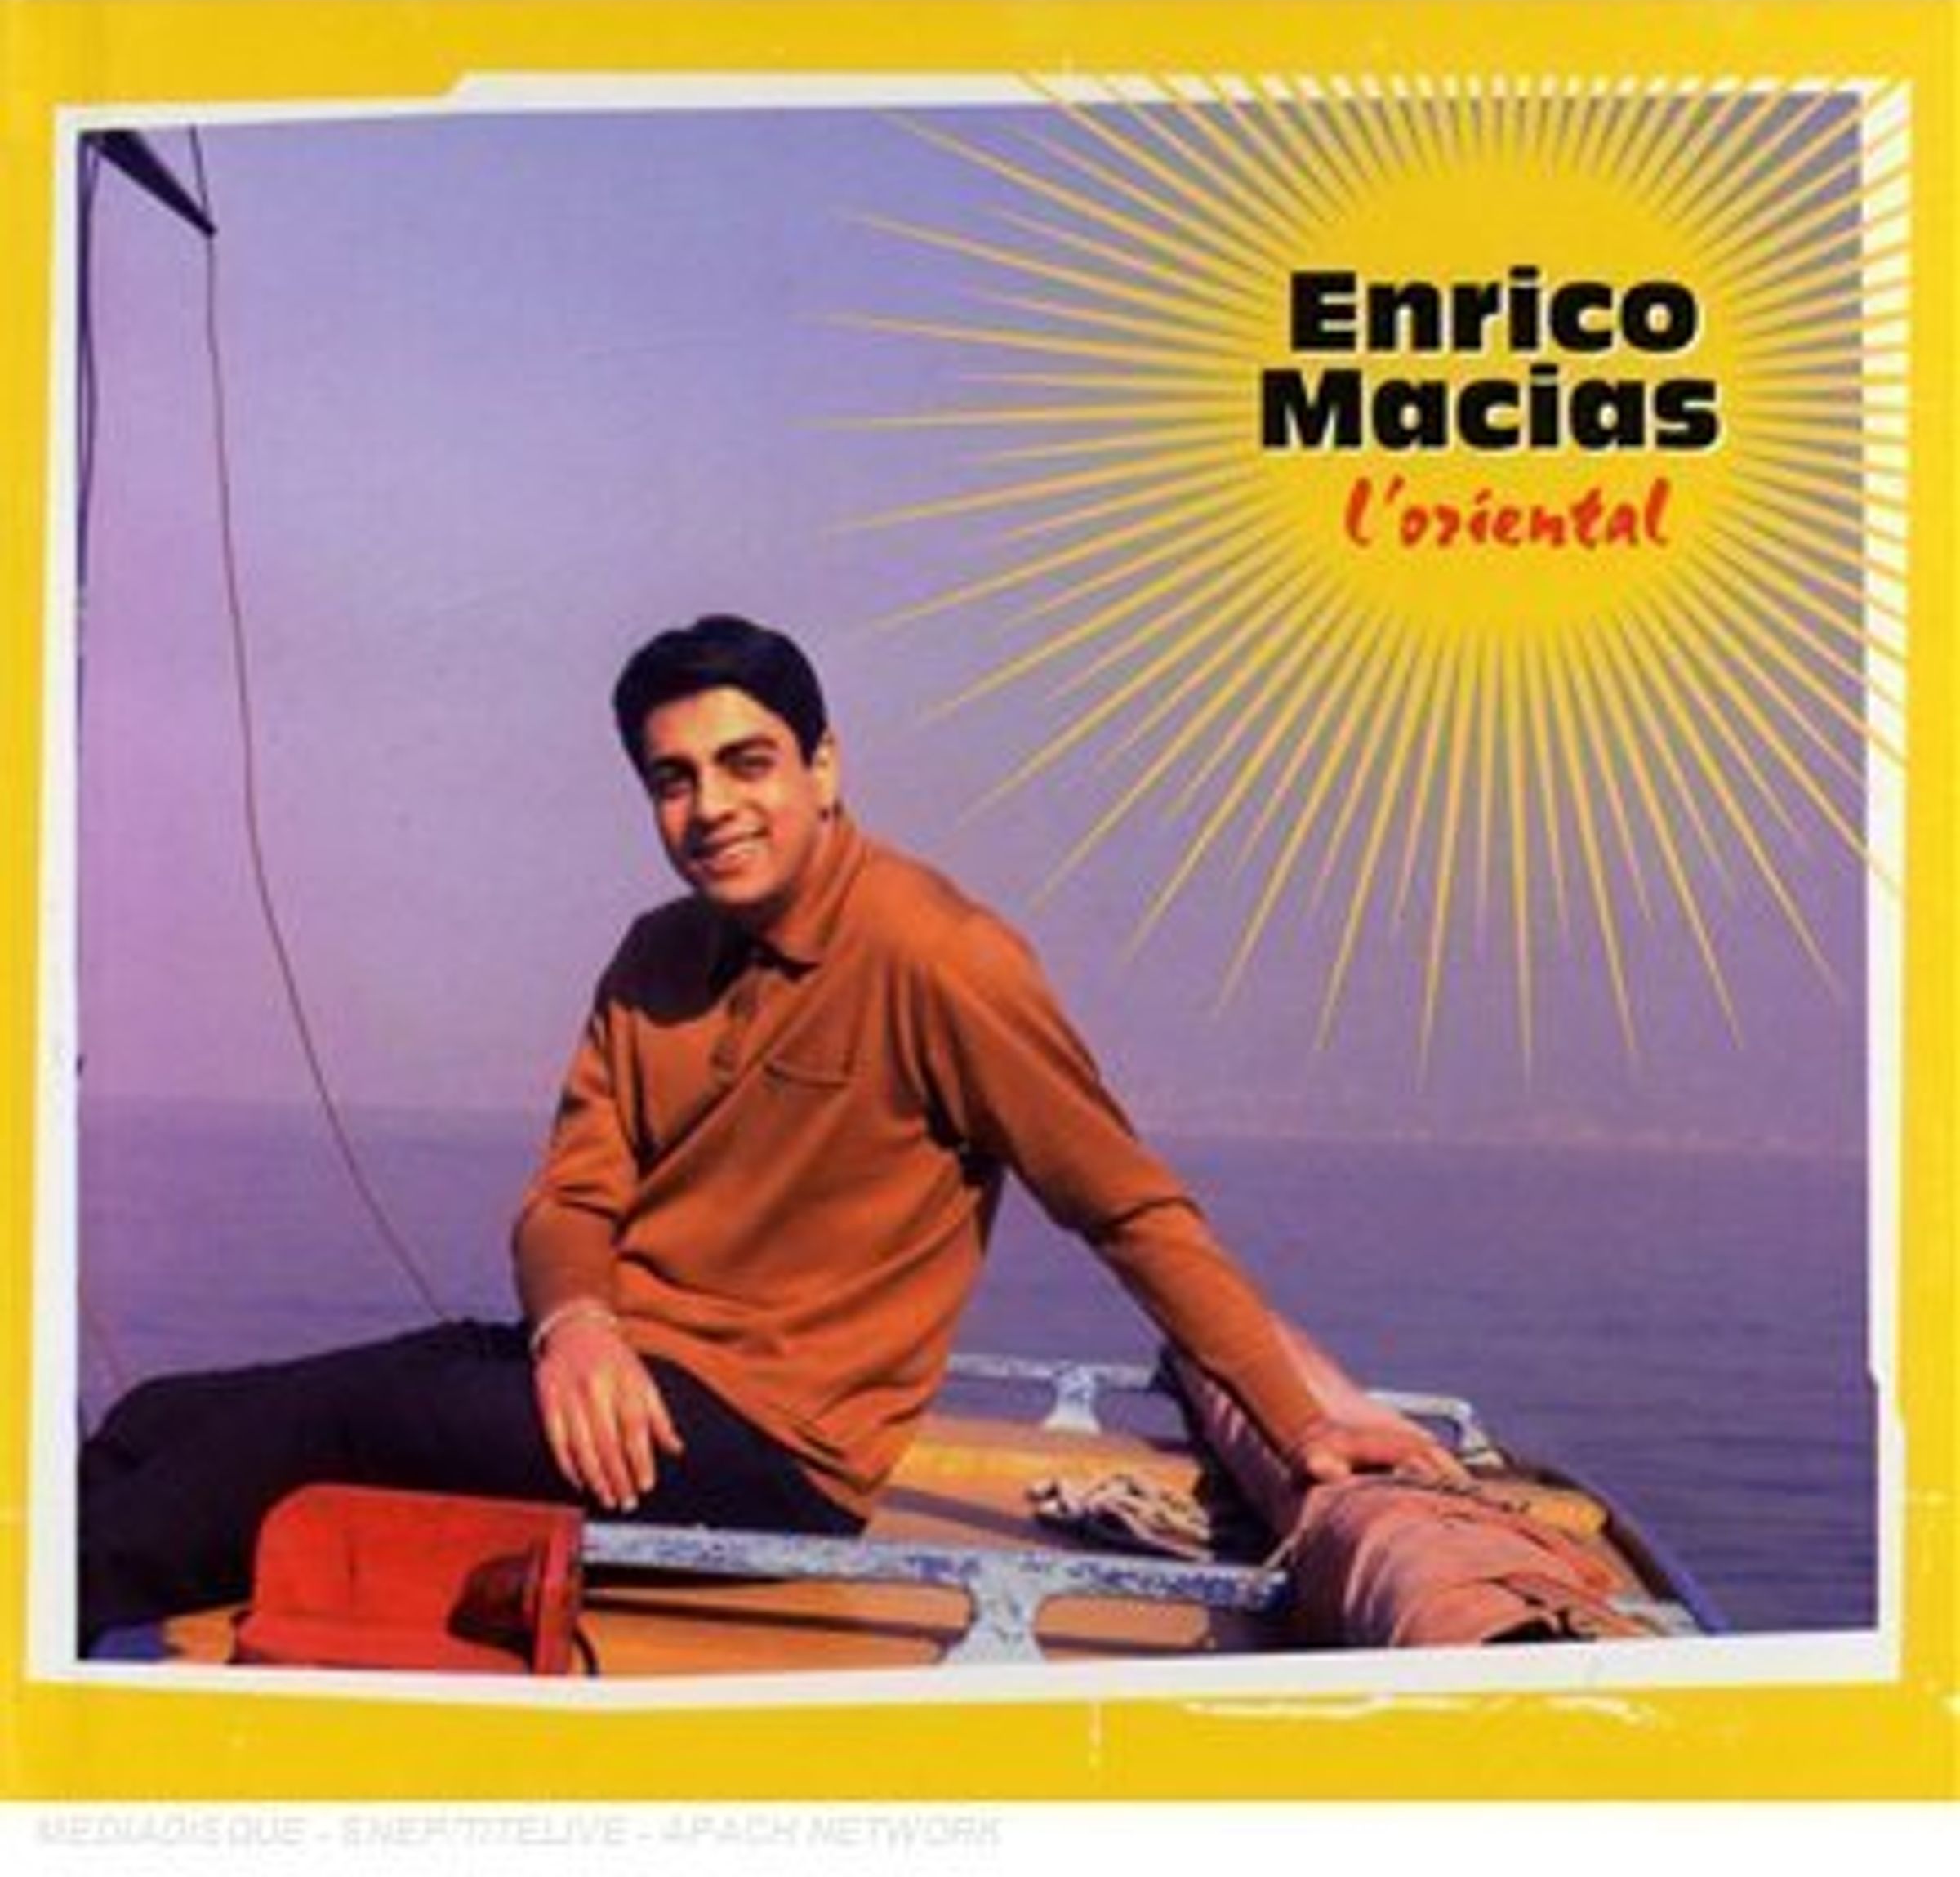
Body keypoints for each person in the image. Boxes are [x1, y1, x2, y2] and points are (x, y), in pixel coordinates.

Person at [78, 615, 1448, 1654]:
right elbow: (567, 1205)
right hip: (618, 1375)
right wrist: (579, 1325)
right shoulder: (656, 956)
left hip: (770, 1453)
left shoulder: (940, 956)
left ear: (825, 766)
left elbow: (1126, 1208)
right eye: (673, 780)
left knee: (338, 1425)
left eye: (747, 763)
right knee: (159, 1417)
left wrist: (1298, 1424)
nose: (712, 808)